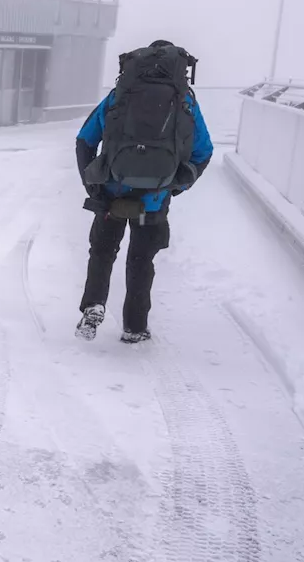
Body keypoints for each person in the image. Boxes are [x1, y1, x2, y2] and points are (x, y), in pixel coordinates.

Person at [74, 40, 212, 343]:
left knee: (102, 251)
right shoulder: (185, 102)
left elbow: (85, 140)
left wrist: (94, 186)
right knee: (140, 261)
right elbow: (204, 151)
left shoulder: (119, 96)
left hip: (112, 192)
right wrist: (176, 185)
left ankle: (94, 304)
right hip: (155, 197)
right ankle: (135, 326)